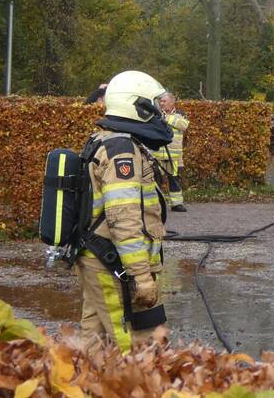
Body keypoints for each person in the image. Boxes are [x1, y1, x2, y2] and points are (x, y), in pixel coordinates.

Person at [75, 70, 171, 353]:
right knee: (136, 347)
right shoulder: (122, 151)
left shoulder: (108, 140)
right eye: (153, 106)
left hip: (100, 259)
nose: (160, 114)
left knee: (94, 340)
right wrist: (141, 276)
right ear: (138, 106)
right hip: (112, 263)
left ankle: (84, 386)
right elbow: (124, 219)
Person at [151, 92, 190, 212]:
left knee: (174, 180)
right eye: (161, 102)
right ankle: (154, 204)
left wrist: (164, 118)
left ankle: (176, 204)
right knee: (154, 180)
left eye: (164, 101)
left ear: (172, 102)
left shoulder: (180, 114)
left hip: (173, 156)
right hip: (157, 154)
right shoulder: (155, 115)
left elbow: (183, 125)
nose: (161, 104)